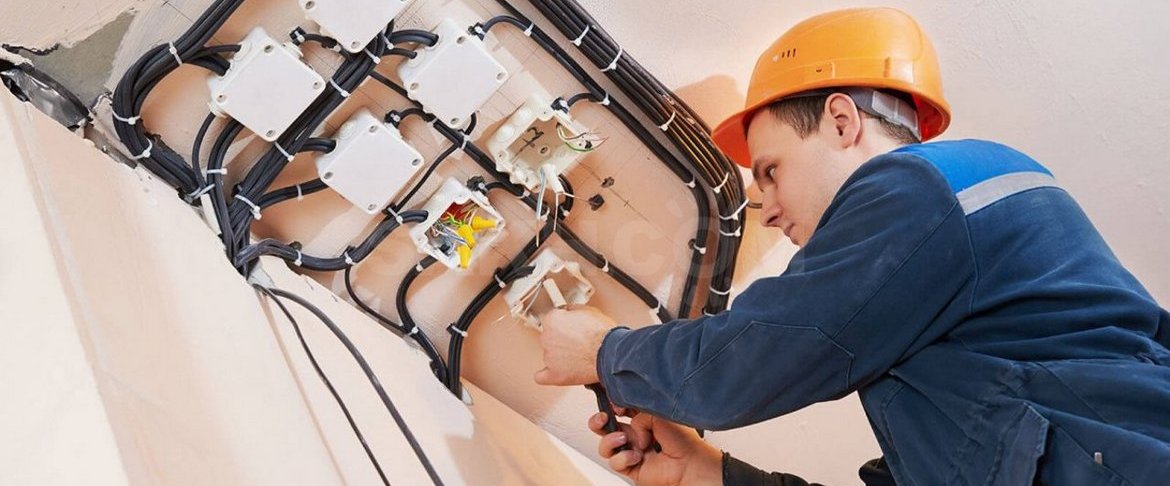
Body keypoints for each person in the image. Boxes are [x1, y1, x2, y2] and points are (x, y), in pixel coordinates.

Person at [533, 7, 1170, 485]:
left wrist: (602, 351)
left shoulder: (925, 184)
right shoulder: (945, 336)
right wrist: (706, 473)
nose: (767, 208)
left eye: (771, 170)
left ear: (842, 121)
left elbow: (761, 353)